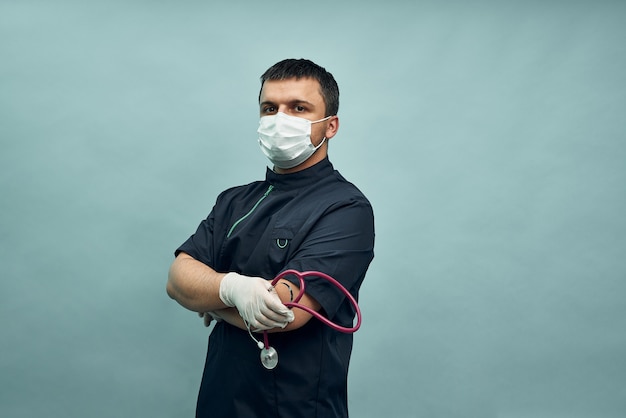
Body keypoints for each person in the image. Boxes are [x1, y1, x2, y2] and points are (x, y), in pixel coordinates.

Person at [166, 58, 375, 418]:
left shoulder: (346, 209)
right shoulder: (234, 201)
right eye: (269, 108)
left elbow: (283, 314)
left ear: (330, 126)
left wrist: (210, 299)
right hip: (219, 404)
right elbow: (176, 279)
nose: (281, 119)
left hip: (296, 406)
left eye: (298, 108)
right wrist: (234, 290)